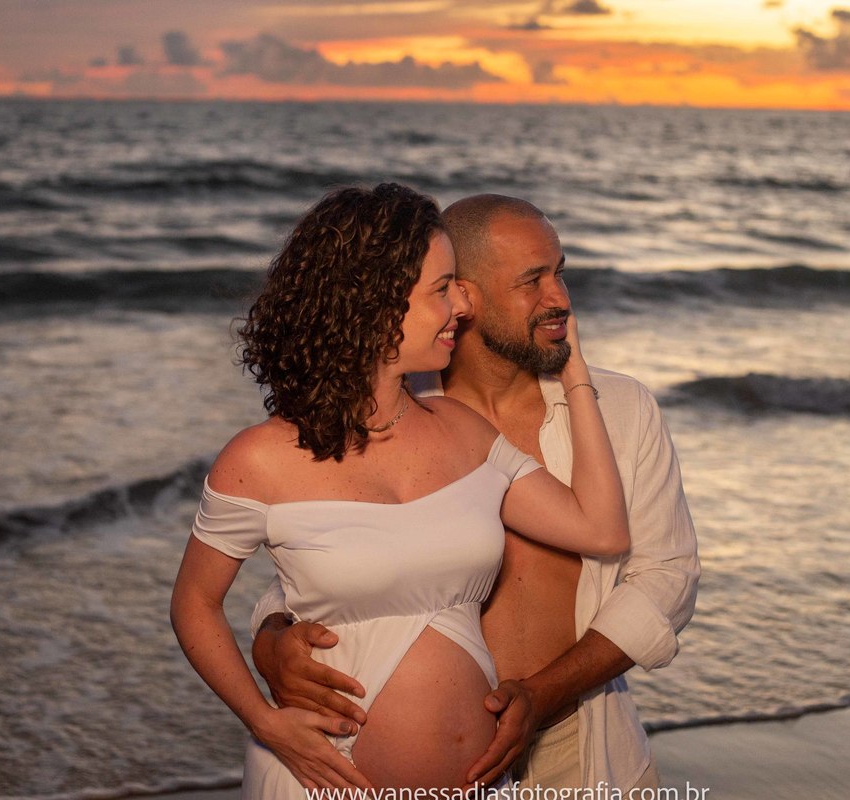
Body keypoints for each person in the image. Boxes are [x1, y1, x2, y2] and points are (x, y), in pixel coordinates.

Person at [169, 183, 631, 795]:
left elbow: (602, 530)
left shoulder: (464, 433)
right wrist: (263, 719)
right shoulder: (260, 459)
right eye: (441, 290)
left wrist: (574, 373)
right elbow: (193, 604)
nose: (460, 309)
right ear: (378, 306)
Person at [252, 194, 700, 791]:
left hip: (583, 739)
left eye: (560, 272)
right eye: (532, 281)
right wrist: (271, 639)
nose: (561, 298)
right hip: (434, 756)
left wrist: (543, 695)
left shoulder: (619, 409)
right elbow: (314, 560)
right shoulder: (390, 415)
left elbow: (666, 575)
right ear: (462, 294)